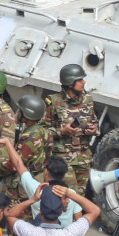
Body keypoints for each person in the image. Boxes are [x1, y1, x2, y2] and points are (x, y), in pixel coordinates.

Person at [45, 64, 98, 194]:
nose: (84, 82)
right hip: (64, 159)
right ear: (69, 83)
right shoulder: (53, 102)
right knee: (69, 193)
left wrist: (94, 129)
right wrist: (62, 131)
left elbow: (94, 121)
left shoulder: (88, 100)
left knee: (80, 195)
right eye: (80, 80)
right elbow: (42, 131)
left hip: (84, 157)